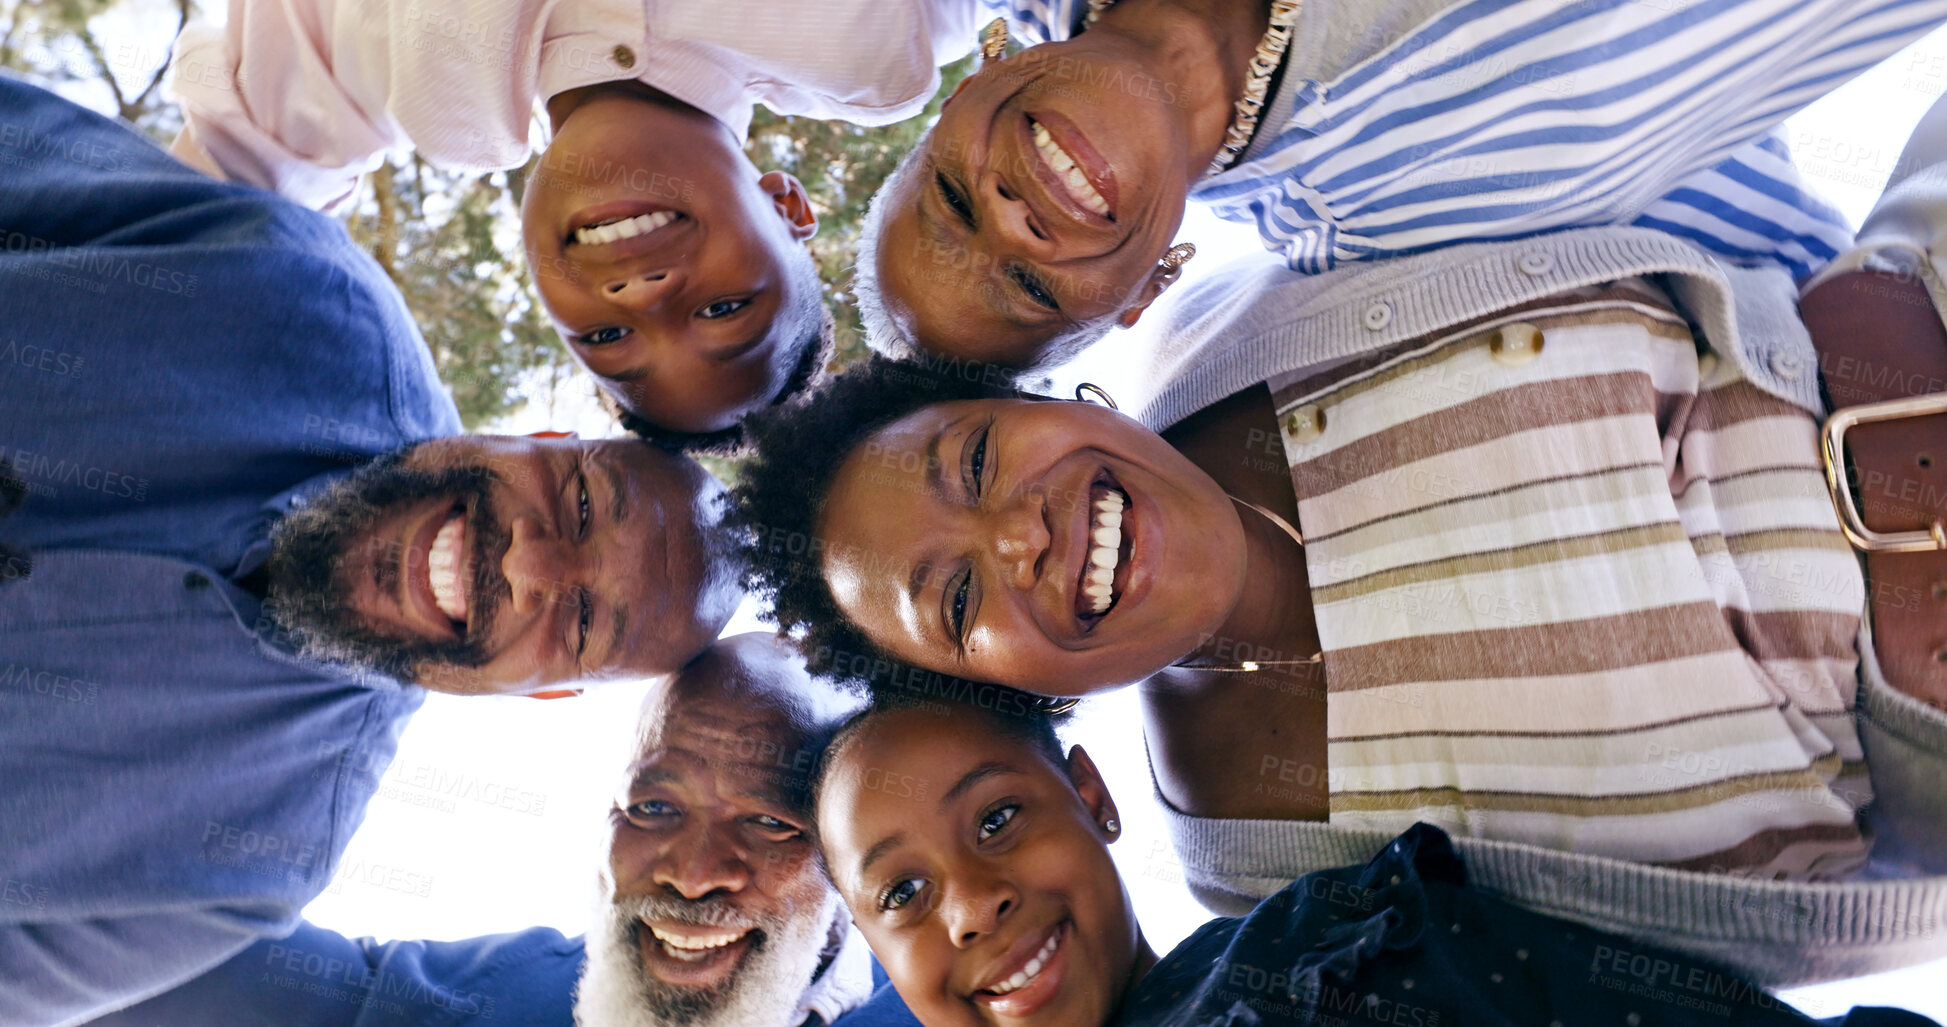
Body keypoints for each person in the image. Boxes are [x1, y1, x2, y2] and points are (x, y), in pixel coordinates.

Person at [729, 90, 1947, 982]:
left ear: (1047, 399)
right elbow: (1676, 966)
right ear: (994, 689)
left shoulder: (1228, 335)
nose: (1019, 534)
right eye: (954, 599)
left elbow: (1597, 150)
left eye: (980, 460)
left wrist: (1872, 288)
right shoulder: (1265, 870)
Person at [0, 77, 737, 1026]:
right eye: (581, 504)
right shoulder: (295, 297)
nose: (527, 567)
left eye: (583, 620)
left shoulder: (245, 865)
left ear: (545, 690)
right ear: (547, 442)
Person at [852, 0, 1947, 370]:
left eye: (953, 201)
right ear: (1143, 296)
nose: (1008, 221)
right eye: (1029, 291)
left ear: (974, 75)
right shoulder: (1423, 231)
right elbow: (1805, 287)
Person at [812, 691, 1938, 1026]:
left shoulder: (1328, 937)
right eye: (902, 893)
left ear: (1092, 796)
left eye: (999, 819)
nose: (970, 904)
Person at [162, 0, 992, 449]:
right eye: (722, 312)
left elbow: (219, 198)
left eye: (605, 339)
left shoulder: (432, 92)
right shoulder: (870, 48)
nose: (644, 295)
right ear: (788, 207)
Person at [87, 635, 924, 1027]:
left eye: (772, 820)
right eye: (654, 807)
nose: (694, 872)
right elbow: (154, 970)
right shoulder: (498, 994)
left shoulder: (966, 1008)